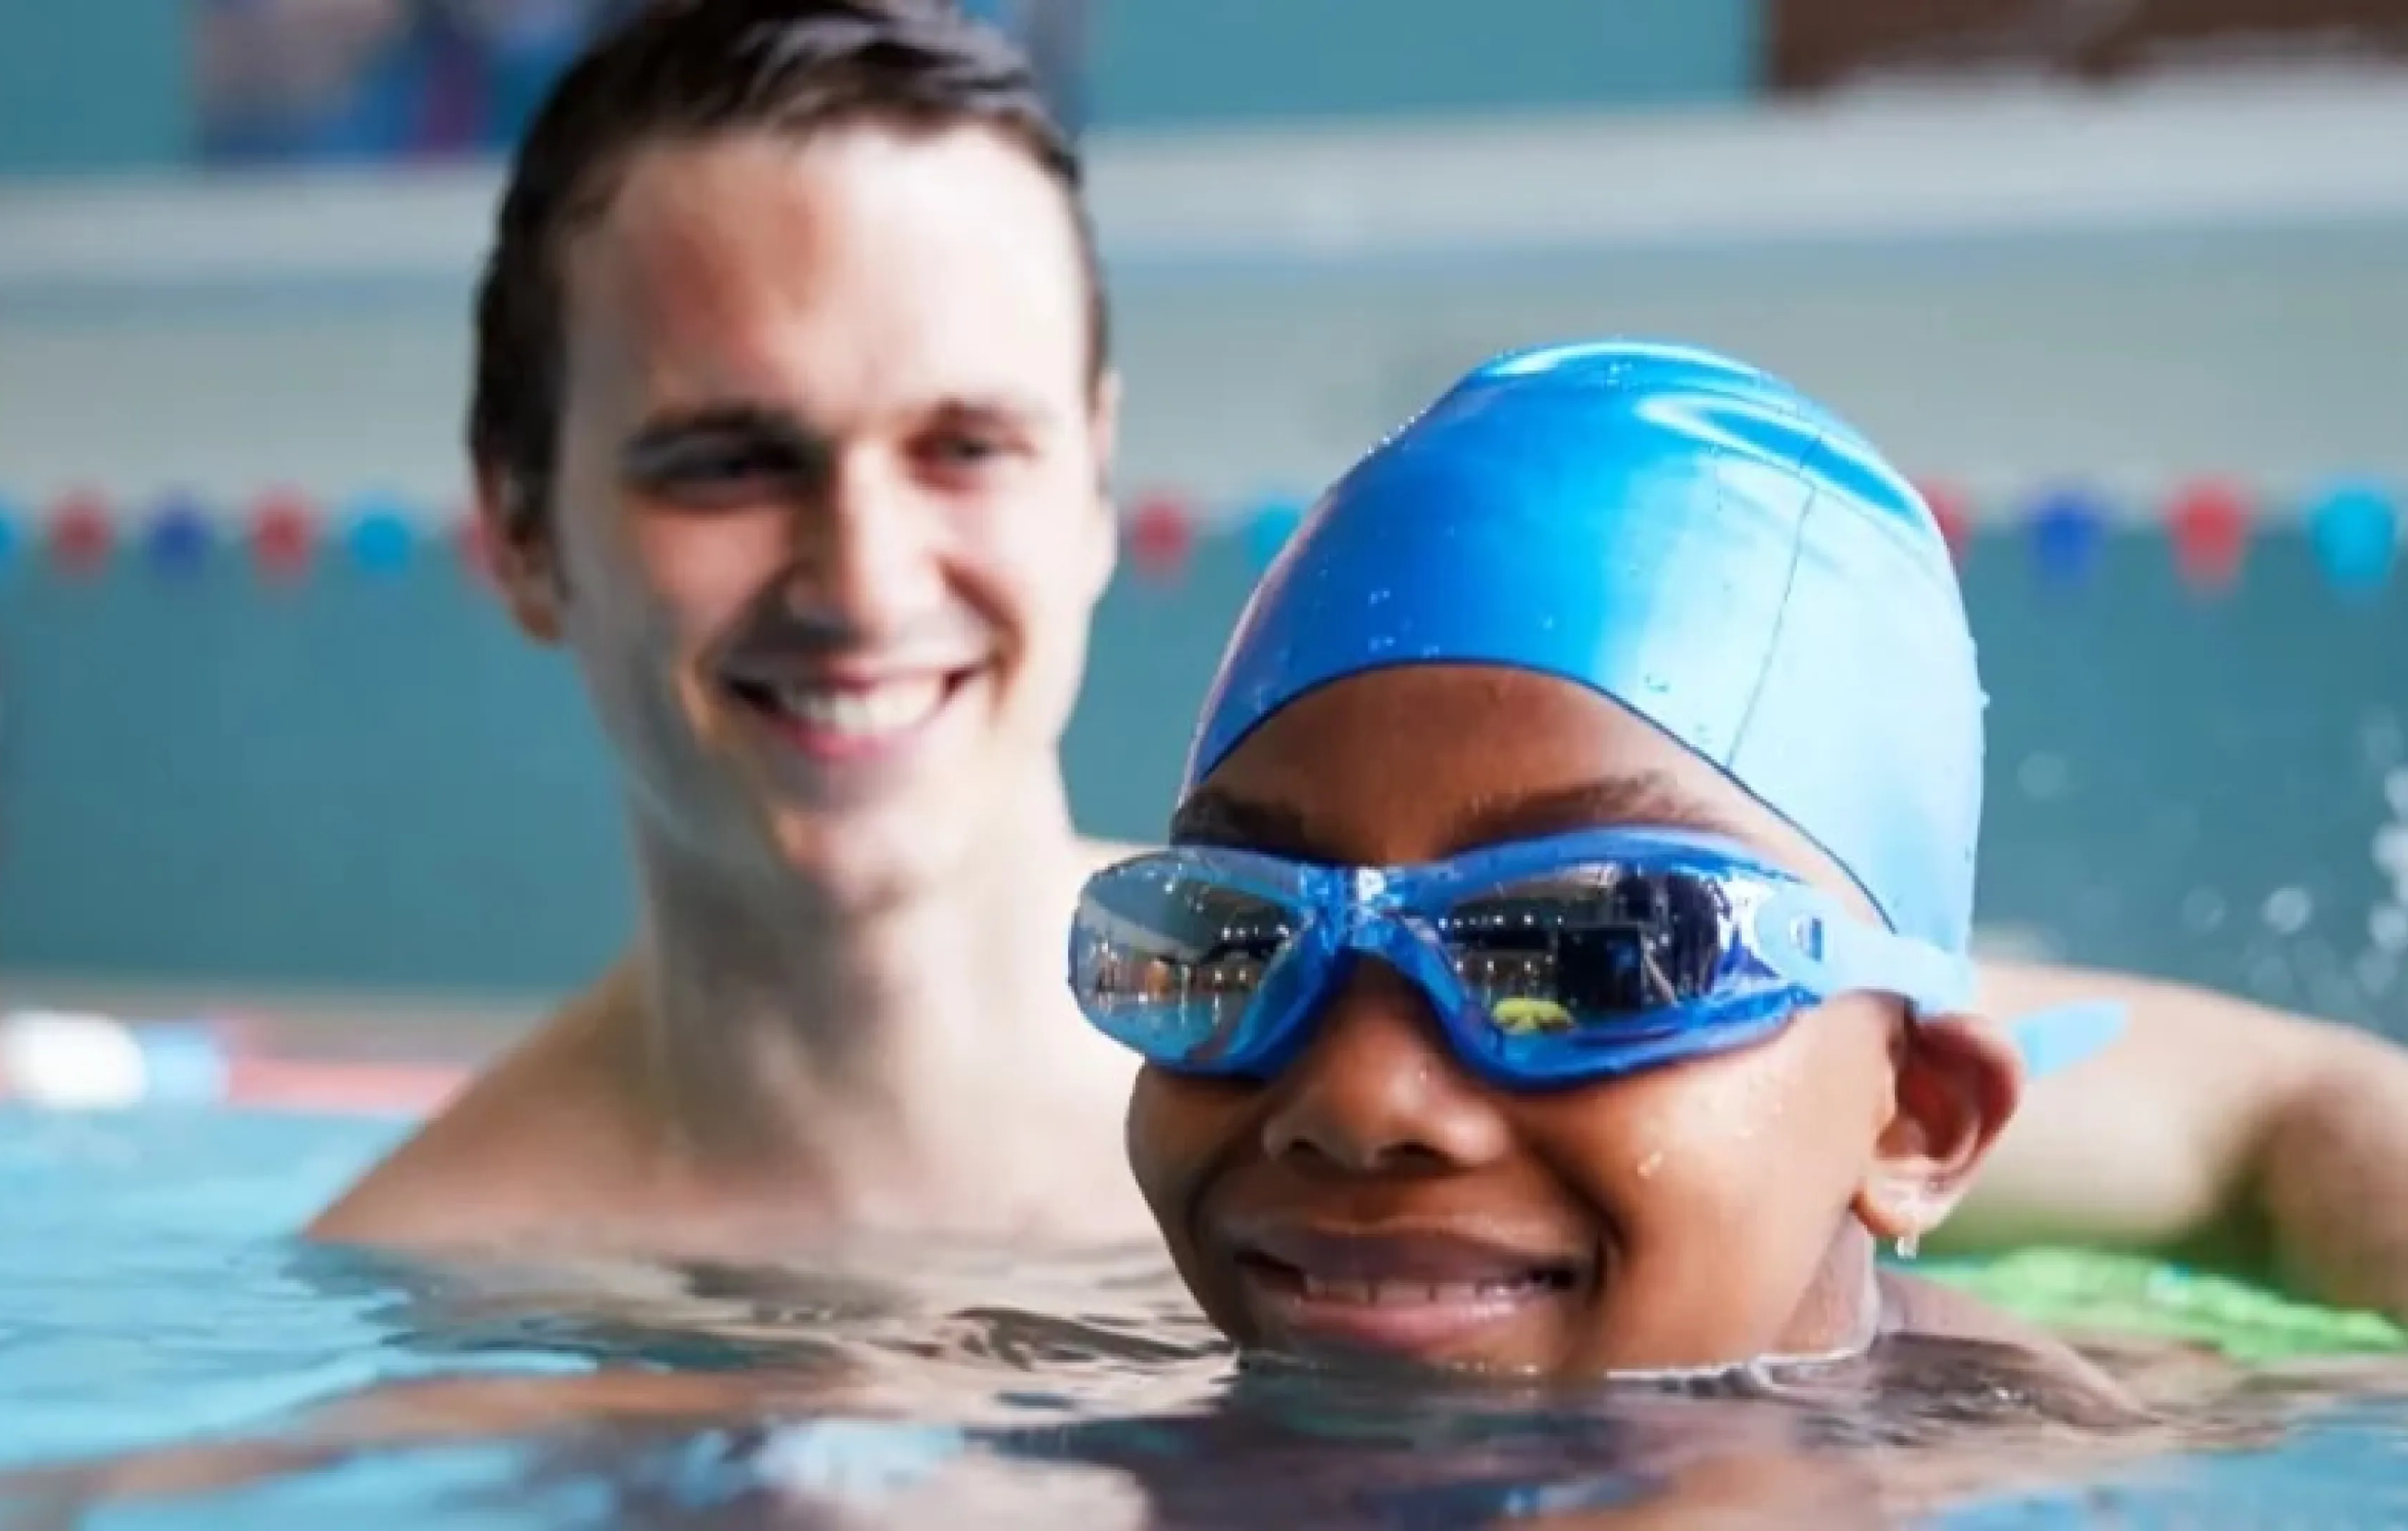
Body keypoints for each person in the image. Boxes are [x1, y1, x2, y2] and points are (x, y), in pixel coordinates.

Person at [310, 0, 2408, 1328]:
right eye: (726, 462)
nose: (865, 575)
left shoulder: (1647, 998)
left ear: (1091, 479)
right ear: (518, 526)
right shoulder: (462, 1293)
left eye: (969, 446)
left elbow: (2298, 1118)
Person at [1075, 336, 2129, 1393]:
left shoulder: (2071, 1470)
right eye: (1238, 945)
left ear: (1917, 1117)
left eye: (1590, 960)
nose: (1359, 1104)